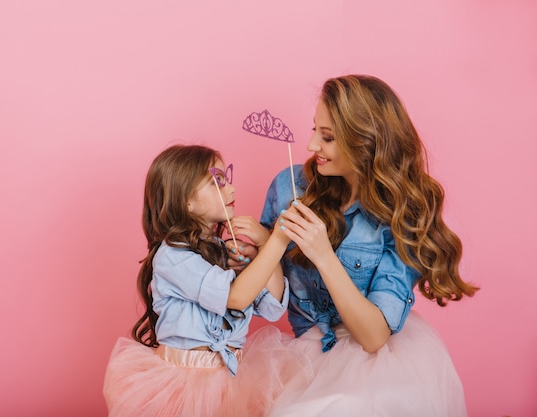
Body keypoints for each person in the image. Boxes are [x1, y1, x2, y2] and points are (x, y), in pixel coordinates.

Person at [237, 75, 479, 417]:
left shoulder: (402, 213)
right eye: (314, 130)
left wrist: (322, 254)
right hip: (303, 355)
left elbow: (373, 336)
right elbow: (270, 300)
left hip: (373, 360)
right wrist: (263, 247)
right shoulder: (289, 186)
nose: (311, 146)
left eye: (328, 137)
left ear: (366, 142)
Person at [103, 144, 309, 417]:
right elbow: (236, 297)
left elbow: (272, 308)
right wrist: (279, 241)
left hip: (230, 382)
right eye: (218, 182)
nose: (232, 189)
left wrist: (264, 244)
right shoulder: (173, 256)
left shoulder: (223, 252)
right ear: (186, 200)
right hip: (184, 386)